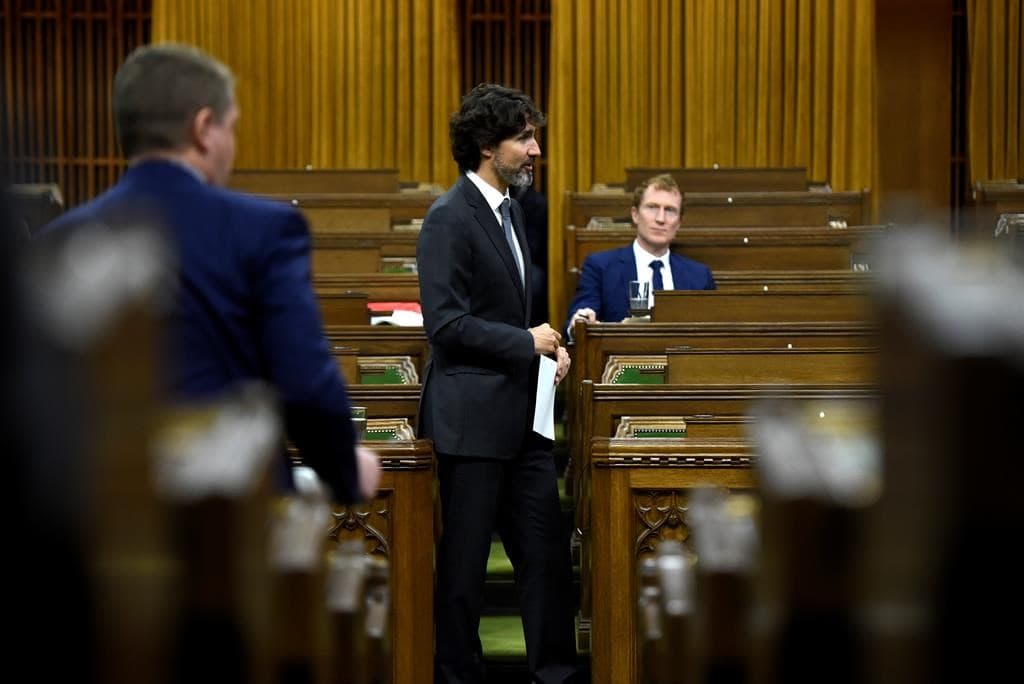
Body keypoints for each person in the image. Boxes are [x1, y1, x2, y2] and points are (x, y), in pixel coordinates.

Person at [41, 43, 379, 504]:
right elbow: (304, 384)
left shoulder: (59, 242)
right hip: (228, 517)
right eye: (232, 127)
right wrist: (344, 468)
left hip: (100, 515)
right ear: (203, 128)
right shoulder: (263, 229)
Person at [417, 83, 579, 684]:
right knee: (463, 574)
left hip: (523, 422)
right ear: (489, 146)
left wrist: (549, 351)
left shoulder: (514, 211)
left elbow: (511, 316)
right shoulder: (447, 218)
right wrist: (525, 343)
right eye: (525, 138)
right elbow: (446, 323)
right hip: (470, 423)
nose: (535, 149)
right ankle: (458, 676)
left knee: (546, 562)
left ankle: (555, 675)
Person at [565, 173, 716, 334]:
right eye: (652, 207)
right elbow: (579, 322)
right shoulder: (600, 266)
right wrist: (580, 323)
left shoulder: (700, 276)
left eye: (670, 210)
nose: (660, 218)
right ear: (635, 214)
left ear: (679, 222)